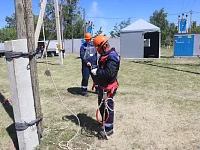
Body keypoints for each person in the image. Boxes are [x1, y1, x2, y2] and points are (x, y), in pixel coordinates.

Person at [91, 35, 120, 140]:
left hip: (108, 88)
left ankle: (108, 129)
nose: (98, 52)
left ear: (104, 47)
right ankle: (104, 123)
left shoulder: (112, 57)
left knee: (108, 108)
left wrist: (97, 71)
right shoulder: (105, 55)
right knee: (102, 106)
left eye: (98, 49)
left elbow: (109, 74)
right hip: (102, 86)